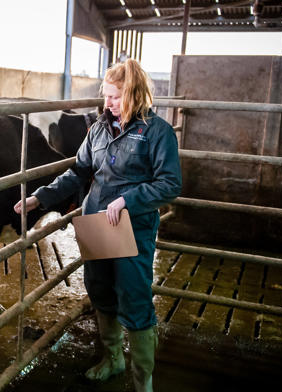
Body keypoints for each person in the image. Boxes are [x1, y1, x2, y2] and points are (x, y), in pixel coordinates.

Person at [13, 58, 181, 391]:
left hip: (131, 227)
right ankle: (113, 359)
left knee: (134, 298)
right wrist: (40, 198)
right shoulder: (100, 128)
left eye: (115, 97)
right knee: (100, 291)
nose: (107, 103)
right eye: (106, 96)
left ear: (134, 94)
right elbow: (78, 171)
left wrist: (128, 200)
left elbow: (169, 184)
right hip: (97, 220)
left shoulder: (157, 132)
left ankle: (143, 381)